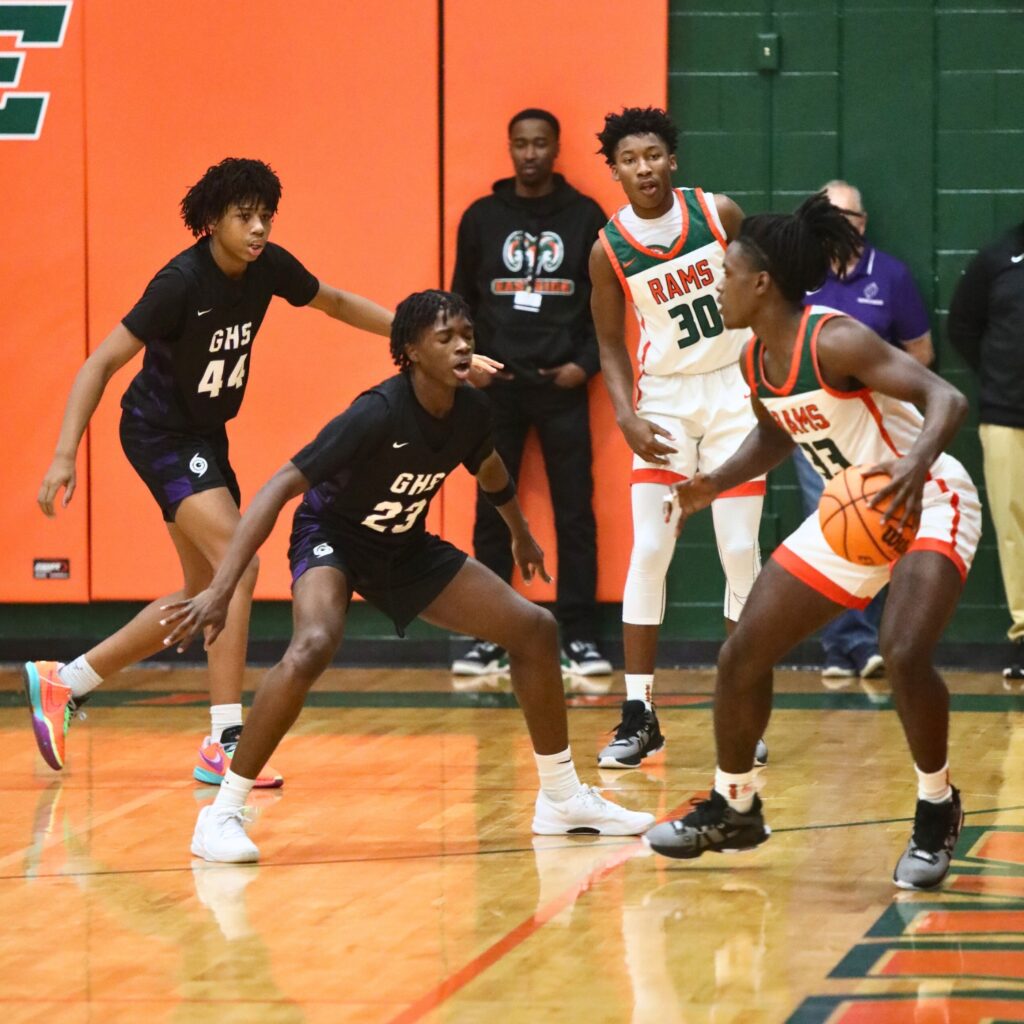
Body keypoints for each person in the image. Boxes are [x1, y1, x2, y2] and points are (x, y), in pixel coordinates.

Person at [23, 158, 496, 789]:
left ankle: (67, 680)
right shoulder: (179, 284)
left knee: (205, 592)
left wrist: (420, 337)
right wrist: (63, 453)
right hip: (159, 435)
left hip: (205, 438)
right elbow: (101, 362)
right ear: (212, 220)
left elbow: (333, 302)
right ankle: (224, 736)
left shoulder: (267, 267)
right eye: (245, 217)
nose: (259, 228)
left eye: (266, 216)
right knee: (238, 565)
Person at [160, 290, 655, 862]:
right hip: (332, 536)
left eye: (467, 334)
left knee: (535, 629)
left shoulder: (470, 411)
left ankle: (562, 798)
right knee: (316, 642)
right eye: (445, 337)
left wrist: (519, 532)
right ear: (412, 352)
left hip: (404, 545)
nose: (462, 345)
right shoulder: (376, 412)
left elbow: (489, 467)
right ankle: (221, 813)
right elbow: (279, 486)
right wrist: (222, 588)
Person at [644, 193, 982, 891]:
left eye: (727, 273)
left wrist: (913, 468)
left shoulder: (836, 339)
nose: (718, 283)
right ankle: (736, 807)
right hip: (849, 517)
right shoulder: (755, 361)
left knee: (904, 651)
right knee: (743, 653)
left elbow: (946, 400)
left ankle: (936, 807)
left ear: (761, 282)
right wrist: (712, 481)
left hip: (926, 497)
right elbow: (777, 433)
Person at [588, 107, 766, 768]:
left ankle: (740, 701)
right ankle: (639, 713)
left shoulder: (720, 214)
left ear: (673, 160)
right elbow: (608, 344)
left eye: (654, 155)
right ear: (615, 170)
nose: (644, 168)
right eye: (630, 159)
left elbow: (764, 288)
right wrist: (625, 416)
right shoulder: (608, 250)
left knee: (741, 547)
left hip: (733, 393)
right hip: (663, 401)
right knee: (651, 549)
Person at [449, 108, 611, 679]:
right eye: (521, 143)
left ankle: (582, 638)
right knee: (493, 512)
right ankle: (488, 637)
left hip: (561, 387)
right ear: (509, 147)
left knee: (575, 514)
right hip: (498, 391)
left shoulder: (586, 216)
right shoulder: (482, 218)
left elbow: (605, 302)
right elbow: (459, 301)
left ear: (556, 148)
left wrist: (584, 366)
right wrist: (469, 365)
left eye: (541, 144)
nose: (531, 154)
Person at [796, 180, 935, 683]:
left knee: (885, 527)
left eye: (849, 219)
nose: (841, 228)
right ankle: (841, 646)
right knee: (833, 524)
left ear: (864, 223)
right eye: (830, 218)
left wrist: (874, 381)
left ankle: (877, 640)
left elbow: (921, 354)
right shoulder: (803, 278)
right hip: (820, 423)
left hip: (881, 427)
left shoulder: (891, 275)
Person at [948, 218, 1024, 683]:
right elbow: (963, 326)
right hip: (1007, 416)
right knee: (1014, 530)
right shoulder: (998, 257)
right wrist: (999, 376)